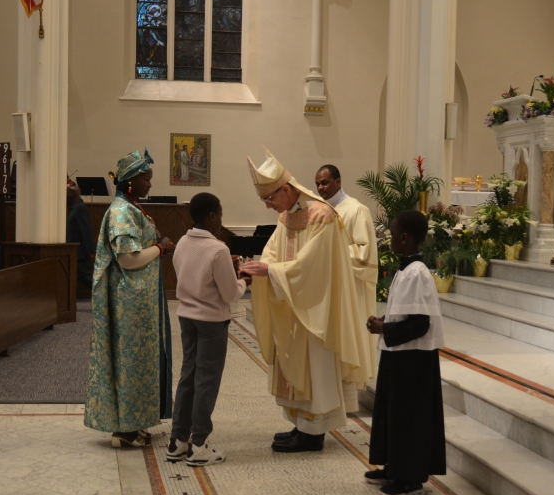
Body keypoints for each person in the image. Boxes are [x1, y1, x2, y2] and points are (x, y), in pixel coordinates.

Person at [239, 149, 370, 453]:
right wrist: (260, 268)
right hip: (293, 304)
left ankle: (314, 434)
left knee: (315, 368)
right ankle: (301, 426)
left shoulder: (321, 214)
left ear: (286, 189)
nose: (270, 206)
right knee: (294, 368)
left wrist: (271, 271)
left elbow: (314, 265)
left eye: (270, 198)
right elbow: (273, 251)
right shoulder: (287, 216)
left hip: (316, 307)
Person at [85, 149, 175, 448]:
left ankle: (132, 422)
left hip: (137, 302)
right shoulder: (122, 212)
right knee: (129, 362)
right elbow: (128, 259)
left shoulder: (131, 207)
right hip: (129, 303)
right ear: (130, 181)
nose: (151, 183)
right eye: (146, 178)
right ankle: (123, 429)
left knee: (137, 362)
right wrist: (161, 248)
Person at [363, 210, 446, 495]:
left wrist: (384, 327)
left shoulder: (418, 274)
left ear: (405, 238)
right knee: (391, 411)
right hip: (398, 353)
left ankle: (410, 480)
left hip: (414, 359)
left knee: (409, 417)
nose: (389, 239)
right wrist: (385, 323)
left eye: (393, 233)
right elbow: (406, 313)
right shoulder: (406, 269)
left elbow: (420, 324)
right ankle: (392, 466)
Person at [166, 193, 248, 467]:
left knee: (188, 375)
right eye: (220, 215)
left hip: (187, 317)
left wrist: (228, 267)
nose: (221, 221)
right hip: (211, 322)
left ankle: (178, 441)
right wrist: (243, 280)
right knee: (207, 381)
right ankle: (199, 444)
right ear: (211, 216)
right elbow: (229, 294)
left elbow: (193, 273)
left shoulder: (183, 243)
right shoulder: (218, 250)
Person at [315, 164, 379, 386]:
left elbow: (364, 253)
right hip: (327, 285)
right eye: (317, 184)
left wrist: (330, 253)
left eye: (325, 183)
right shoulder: (318, 210)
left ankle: (352, 385)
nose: (320, 188)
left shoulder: (356, 210)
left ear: (338, 181)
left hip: (351, 285)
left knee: (350, 334)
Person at [66, 184, 96, 291]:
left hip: (80, 252)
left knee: (85, 276)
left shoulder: (79, 208)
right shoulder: (75, 208)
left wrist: (90, 252)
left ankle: (106, 295)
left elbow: (86, 230)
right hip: (75, 252)